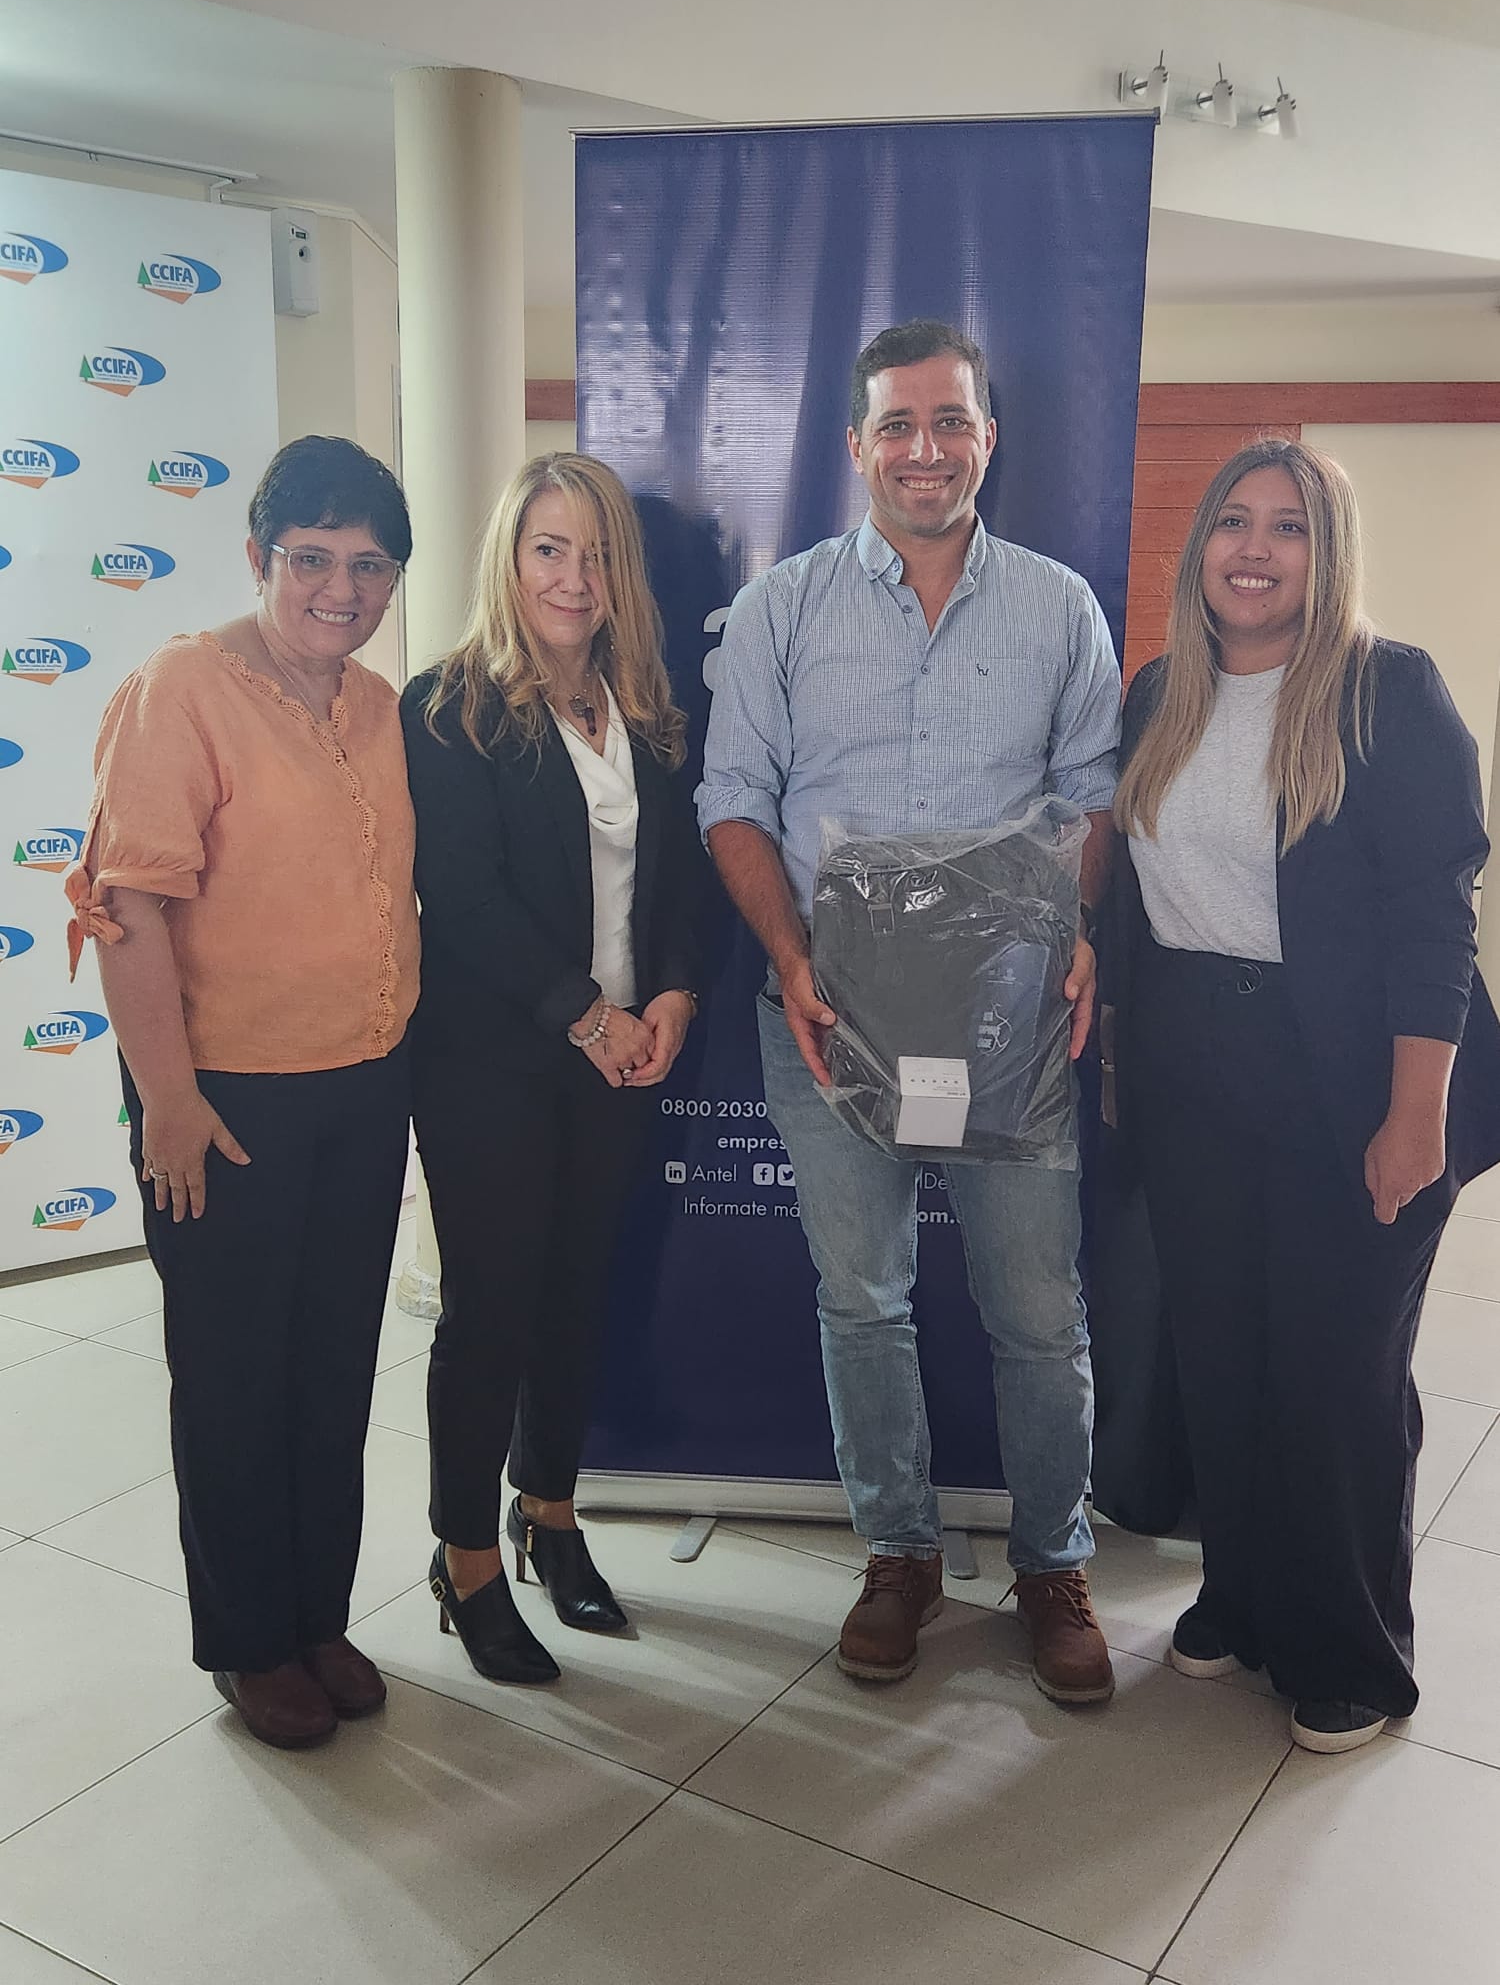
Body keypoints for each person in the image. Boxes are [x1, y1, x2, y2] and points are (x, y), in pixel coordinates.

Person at [697, 318, 1122, 1701]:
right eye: (898, 423)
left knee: (1037, 1307)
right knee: (862, 1299)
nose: (924, 449)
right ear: (857, 444)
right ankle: (898, 1550)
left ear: (988, 436)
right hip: (830, 1014)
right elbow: (732, 799)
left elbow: (1093, 796)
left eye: (950, 421)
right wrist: (789, 953)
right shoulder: (783, 608)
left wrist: (1078, 930)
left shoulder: (1059, 606)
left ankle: (1054, 1564)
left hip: (1011, 1023)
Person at [1109, 438, 1500, 1753]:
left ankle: (1350, 1652)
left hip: (1357, 1074)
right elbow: (1134, 892)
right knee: (1221, 1355)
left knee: (1336, 1373)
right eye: (1235, 520)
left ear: (1329, 557)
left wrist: (1415, 1114)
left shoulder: (1391, 691)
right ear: (1202, 546)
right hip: (1195, 1072)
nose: (1257, 548)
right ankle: (1239, 1594)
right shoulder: (1161, 691)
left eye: (1290, 526)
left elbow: (1434, 919)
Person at [67, 436, 419, 1749]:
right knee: (232, 1376)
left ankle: (317, 1616)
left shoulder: (379, 706)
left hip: (362, 1087)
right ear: (260, 556)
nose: (340, 588)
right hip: (224, 1102)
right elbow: (128, 909)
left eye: (369, 564)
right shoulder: (183, 690)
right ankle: (248, 1640)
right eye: (312, 558)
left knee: (331, 1369)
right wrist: (165, 1098)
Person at [402, 452, 703, 1685]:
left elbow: (678, 878)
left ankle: (550, 1512)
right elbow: (464, 898)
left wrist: (672, 993)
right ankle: (466, 1556)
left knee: (577, 1291)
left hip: (620, 1058)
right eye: (548, 550)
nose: (573, 578)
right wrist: (589, 1017)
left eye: (596, 554)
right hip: (493, 1060)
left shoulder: (647, 707)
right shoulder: (449, 706)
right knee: (492, 1311)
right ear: (509, 561)